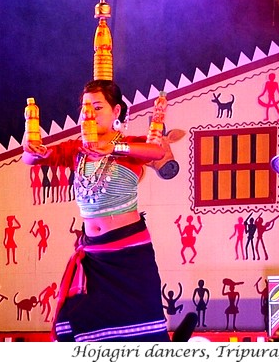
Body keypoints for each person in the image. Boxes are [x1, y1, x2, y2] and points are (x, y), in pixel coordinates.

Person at [23, 79, 170, 342]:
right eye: (84, 107)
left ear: (116, 112)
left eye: (98, 107)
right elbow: (32, 158)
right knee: (78, 320)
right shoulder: (77, 150)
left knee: (141, 330)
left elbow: (157, 152)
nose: (89, 113)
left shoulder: (128, 145)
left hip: (129, 255)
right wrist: (30, 142)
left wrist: (112, 147)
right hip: (93, 254)